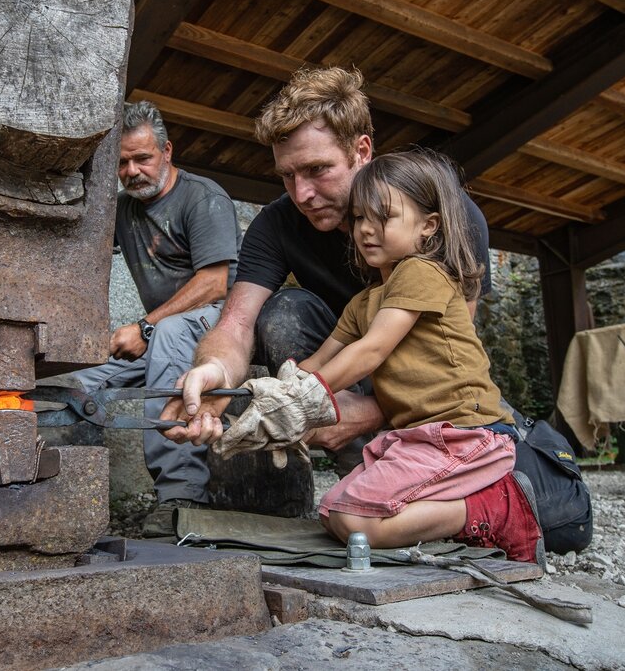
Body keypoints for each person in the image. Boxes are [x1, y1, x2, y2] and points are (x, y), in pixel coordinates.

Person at [209, 151, 542, 562]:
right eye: (359, 218)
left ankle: (496, 508)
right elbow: (317, 362)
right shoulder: (366, 301)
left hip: (463, 432)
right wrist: (263, 401)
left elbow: (372, 349)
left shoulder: (423, 272)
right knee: (332, 510)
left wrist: (305, 401)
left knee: (354, 522)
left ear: (428, 226)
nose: (366, 229)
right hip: (417, 436)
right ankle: (456, 509)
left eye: (383, 217)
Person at [160, 66, 491, 460]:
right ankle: (345, 465)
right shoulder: (276, 224)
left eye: (317, 170)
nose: (302, 194)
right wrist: (216, 374)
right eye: (288, 175)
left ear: (361, 152)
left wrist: (372, 412)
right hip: (339, 374)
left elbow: (452, 346)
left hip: (436, 389)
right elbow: (236, 324)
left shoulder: (441, 213)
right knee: (285, 312)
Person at [70, 100, 241, 534]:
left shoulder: (203, 198)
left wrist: (145, 327)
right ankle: (56, 486)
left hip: (223, 325)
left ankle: (182, 495)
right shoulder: (124, 209)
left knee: (168, 331)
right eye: (122, 162)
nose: (132, 171)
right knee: (78, 377)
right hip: (166, 329)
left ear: (166, 152)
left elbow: (214, 283)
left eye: (142, 158)